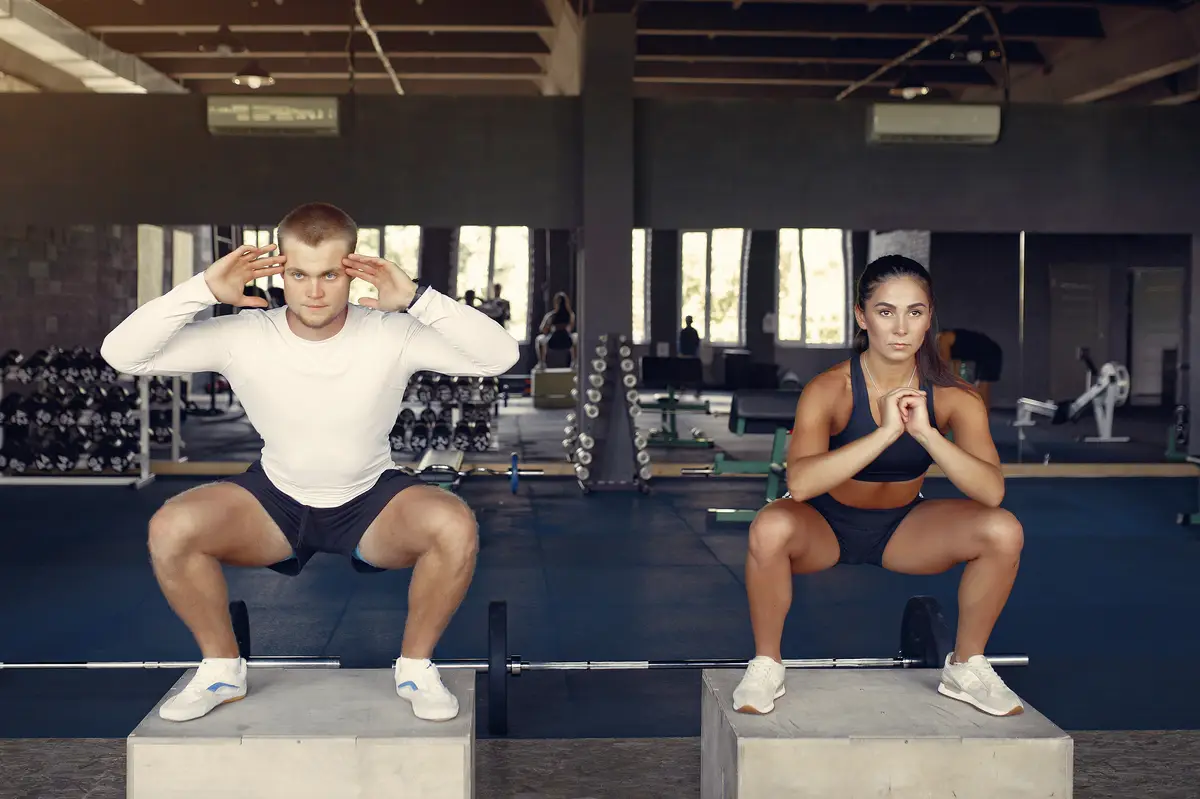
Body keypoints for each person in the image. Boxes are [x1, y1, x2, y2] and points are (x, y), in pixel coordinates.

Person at [100, 202, 519, 724]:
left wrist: (417, 298)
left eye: (329, 275)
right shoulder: (244, 335)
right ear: (280, 271)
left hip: (372, 501)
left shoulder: (392, 332)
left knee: (454, 524)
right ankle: (221, 670)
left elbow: (500, 357)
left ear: (353, 270)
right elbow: (122, 354)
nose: (314, 291)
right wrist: (202, 290)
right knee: (172, 526)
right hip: (275, 501)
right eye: (299, 274)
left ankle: (415, 669)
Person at [732, 254, 1024, 718]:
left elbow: (991, 492)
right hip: (822, 525)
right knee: (769, 527)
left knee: (1003, 530)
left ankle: (966, 667)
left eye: (915, 312)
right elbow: (801, 483)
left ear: (929, 318)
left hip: (903, 529)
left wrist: (926, 434)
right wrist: (886, 432)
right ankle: (767, 664)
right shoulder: (829, 389)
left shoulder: (955, 396)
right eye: (886, 311)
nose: (901, 328)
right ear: (862, 316)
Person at [534, 291, 576, 368]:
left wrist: (551, 326)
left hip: (555, 340)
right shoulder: (571, 315)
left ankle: (541, 363)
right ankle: (575, 362)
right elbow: (571, 327)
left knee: (539, 339)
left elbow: (543, 330)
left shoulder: (551, 315)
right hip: (563, 340)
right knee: (575, 337)